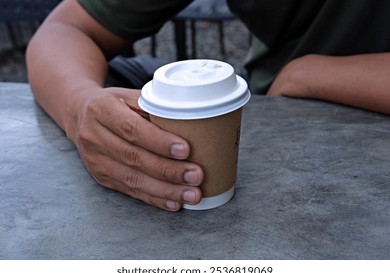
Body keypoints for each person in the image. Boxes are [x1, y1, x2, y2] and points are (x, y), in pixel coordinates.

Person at [26, 0, 390, 211]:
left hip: (295, 101)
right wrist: (82, 108)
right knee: (123, 79)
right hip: (268, 94)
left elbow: (296, 78)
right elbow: (67, 28)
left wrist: (308, 74)